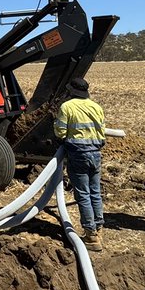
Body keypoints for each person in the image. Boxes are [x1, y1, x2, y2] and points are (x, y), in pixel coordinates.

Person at [54, 77, 107, 251]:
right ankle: (99, 228)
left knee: (83, 194)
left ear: (71, 91)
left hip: (78, 154)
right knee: (95, 192)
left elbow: (60, 131)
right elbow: (101, 131)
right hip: (96, 154)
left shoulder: (67, 107)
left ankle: (90, 235)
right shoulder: (96, 107)